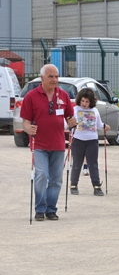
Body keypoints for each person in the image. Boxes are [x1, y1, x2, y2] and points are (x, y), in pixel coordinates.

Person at [21, 64, 77, 221]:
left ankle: (51, 209)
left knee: (56, 179)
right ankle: (40, 208)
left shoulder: (64, 95)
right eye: (51, 76)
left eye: (56, 76)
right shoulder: (31, 96)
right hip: (39, 144)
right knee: (41, 175)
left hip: (59, 144)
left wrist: (72, 122)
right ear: (42, 78)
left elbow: (70, 117)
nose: (54, 79)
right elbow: (25, 121)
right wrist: (28, 129)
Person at [69, 88, 110, 196]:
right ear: (79, 100)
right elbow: (69, 122)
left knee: (93, 164)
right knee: (77, 164)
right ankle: (73, 185)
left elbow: (99, 124)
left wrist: (104, 126)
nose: (84, 104)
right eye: (82, 101)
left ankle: (97, 186)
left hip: (92, 140)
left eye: (87, 101)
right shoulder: (75, 109)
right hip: (78, 139)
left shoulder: (95, 110)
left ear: (91, 101)